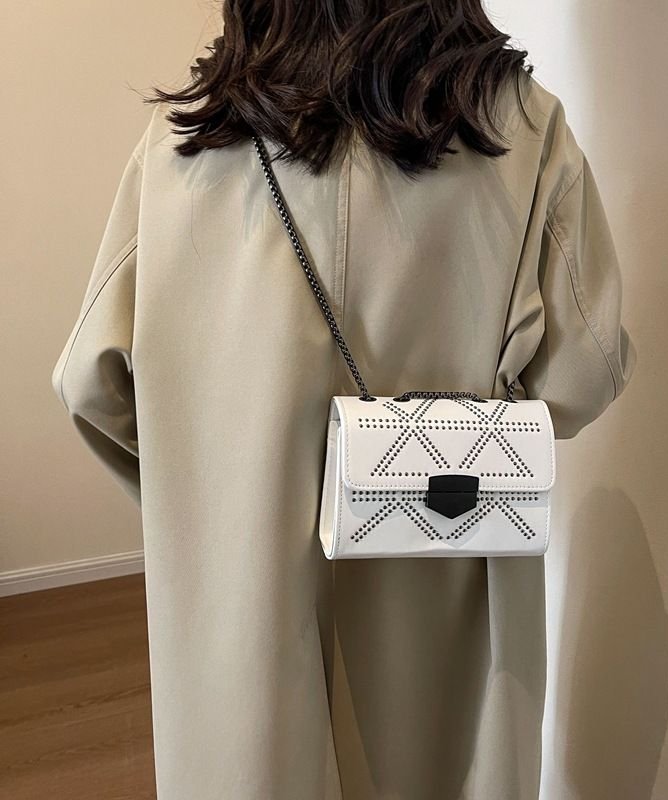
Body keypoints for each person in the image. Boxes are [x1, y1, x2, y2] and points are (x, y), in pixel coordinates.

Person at [50, 1, 637, 798]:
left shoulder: (191, 136)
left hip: (245, 584)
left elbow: (89, 382)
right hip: (444, 553)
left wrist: (203, 498)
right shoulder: (520, 125)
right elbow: (581, 376)